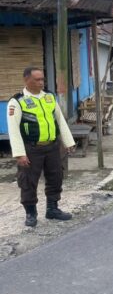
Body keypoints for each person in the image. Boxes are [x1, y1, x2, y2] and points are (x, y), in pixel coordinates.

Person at [6, 67, 76, 227]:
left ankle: (52, 209)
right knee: (28, 181)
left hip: (52, 147)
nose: (41, 82)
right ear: (26, 80)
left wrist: (69, 142)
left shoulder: (49, 97)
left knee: (56, 177)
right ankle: (31, 213)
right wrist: (19, 154)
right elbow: (13, 129)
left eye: (42, 79)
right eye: (37, 80)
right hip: (31, 149)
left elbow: (60, 120)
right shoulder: (17, 101)